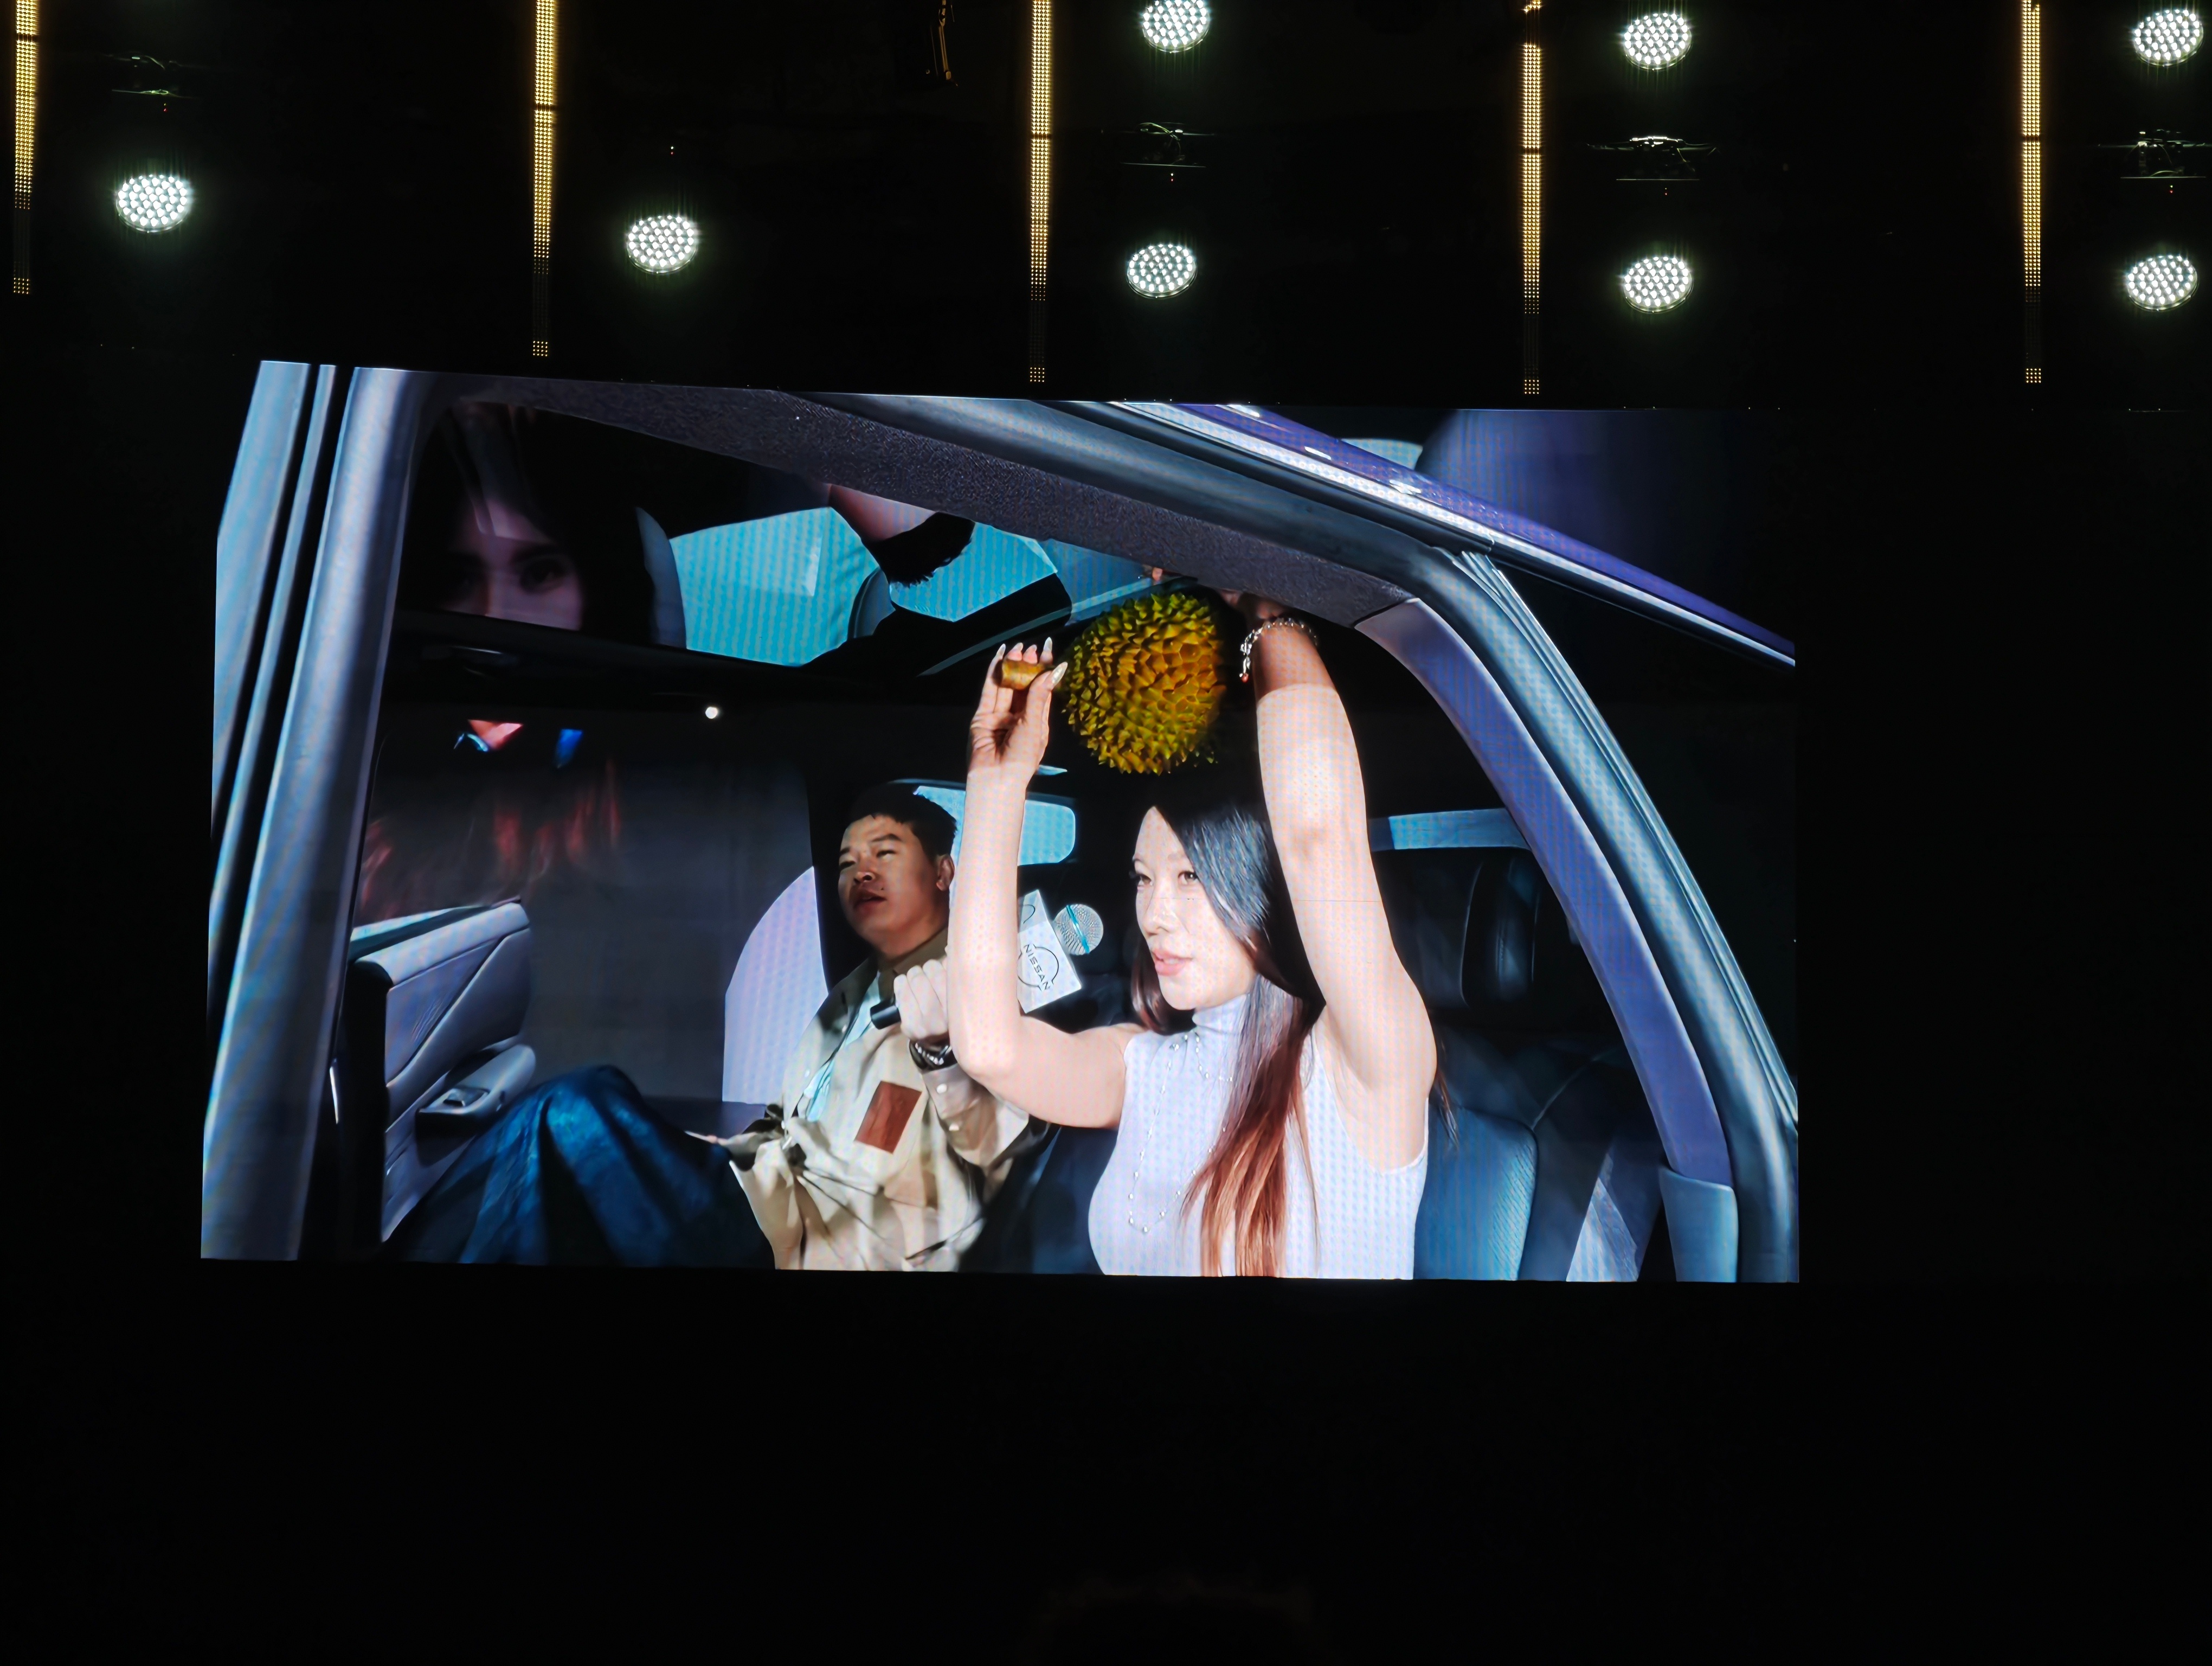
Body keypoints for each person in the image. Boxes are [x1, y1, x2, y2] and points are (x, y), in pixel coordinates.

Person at [921, 594, 1434, 1278]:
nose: (1154, 915)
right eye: (1143, 879)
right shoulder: (1142, 1064)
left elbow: (1318, 838)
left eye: (1190, 876)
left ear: (1265, 891)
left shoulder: (1365, 1066)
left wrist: (1264, 608)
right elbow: (989, 1047)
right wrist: (997, 781)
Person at [387, 785, 1028, 1268]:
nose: (861, 871)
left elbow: (1003, 1146)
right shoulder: (853, 992)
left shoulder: (985, 984)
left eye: (885, 853)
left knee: (573, 1110)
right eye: (846, 862)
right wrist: (713, 1150)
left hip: (822, 1245)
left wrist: (941, 1053)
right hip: (764, 1200)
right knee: (561, 1152)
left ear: (943, 872)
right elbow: (787, 1122)